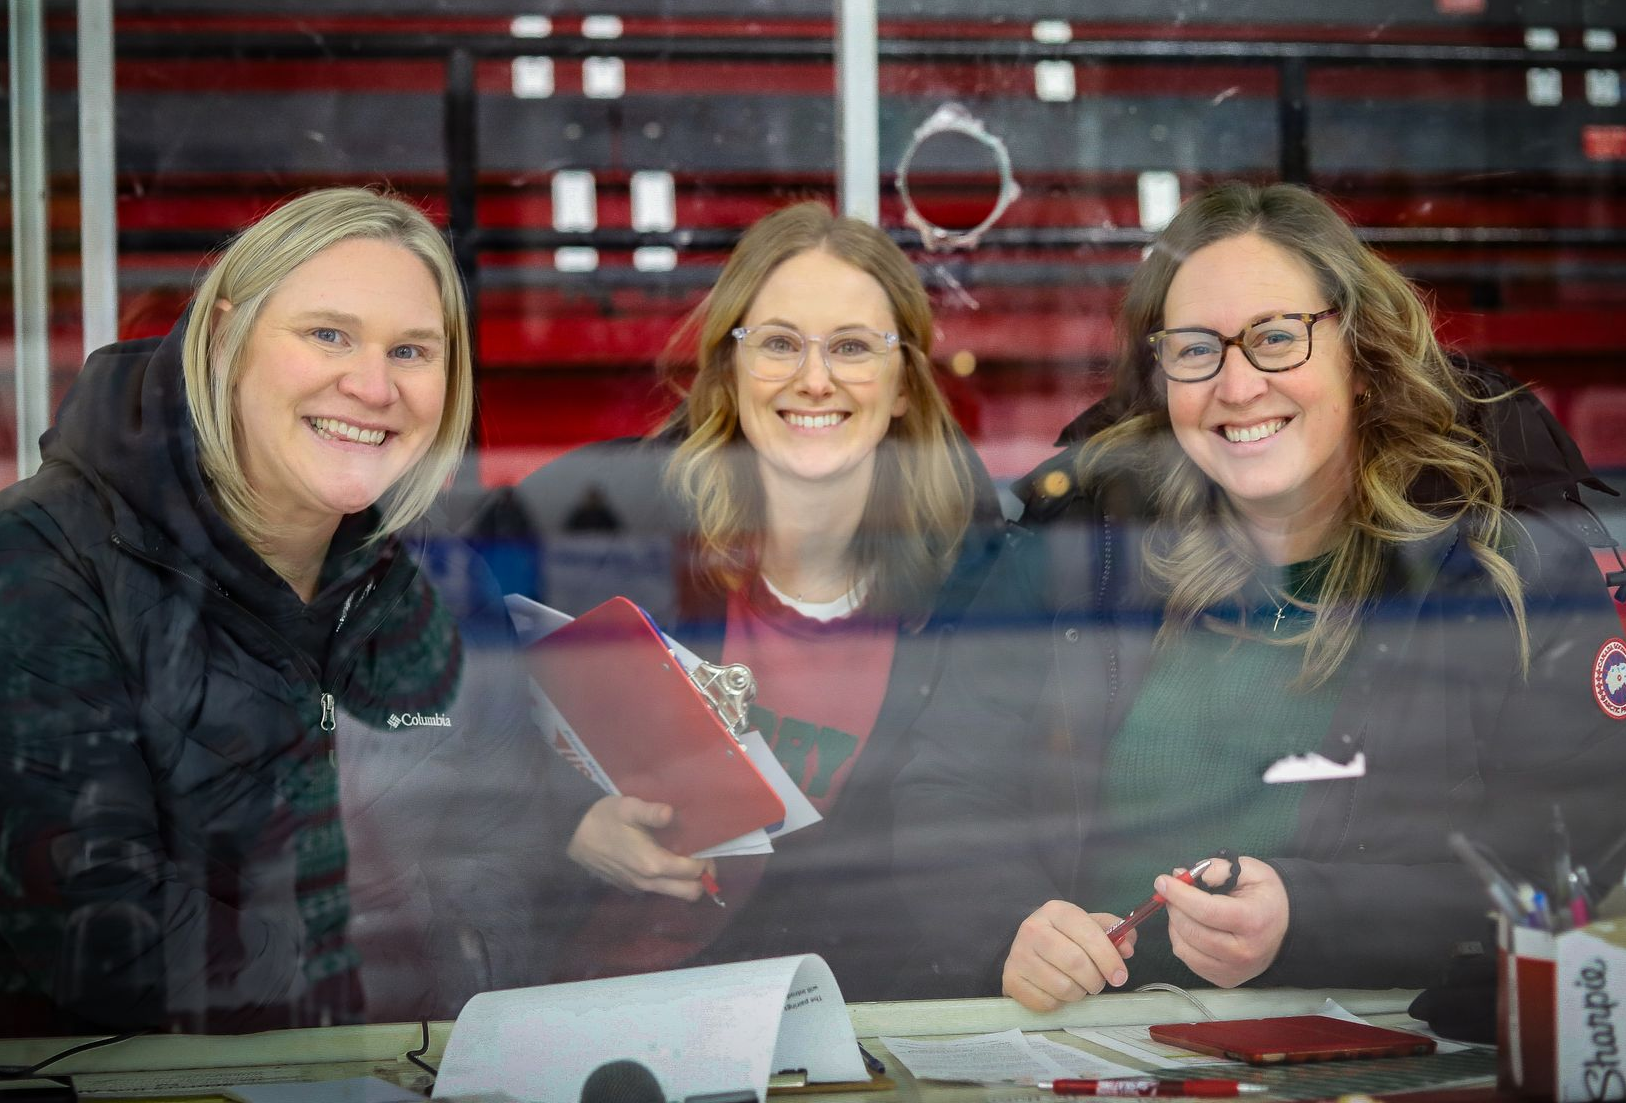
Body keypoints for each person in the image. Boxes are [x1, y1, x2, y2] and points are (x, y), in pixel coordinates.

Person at [892, 182, 1626, 1008]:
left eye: (1277, 338)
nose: (1237, 387)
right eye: (1196, 348)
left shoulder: (1500, 563)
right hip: (1081, 1049)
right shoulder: (1084, 536)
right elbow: (943, 786)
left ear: (1358, 350)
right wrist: (1008, 927)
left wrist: (1308, 919)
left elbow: (1558, 875)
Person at [0, 188, 600, 1034]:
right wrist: (394, 955)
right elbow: (101, 935)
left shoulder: (443, 576)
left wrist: (443, 958)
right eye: (328, 334)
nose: (372, 384)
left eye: (412, 350)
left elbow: (515, 844)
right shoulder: (41, 556)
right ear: (225, 339)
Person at [464, 201, 1004, 1000]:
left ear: (901, 386)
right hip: (536, 1003)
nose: (814, 378)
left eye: (853, 348)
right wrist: (564, 830)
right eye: (779, 343)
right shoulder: (598, 523)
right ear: (730, 369)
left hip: (781, 1024)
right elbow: (425, 734)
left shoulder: (968, 579)